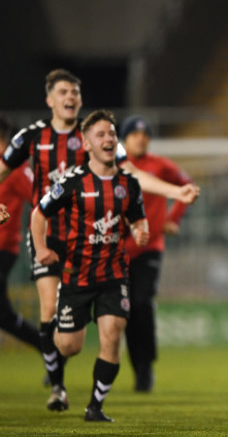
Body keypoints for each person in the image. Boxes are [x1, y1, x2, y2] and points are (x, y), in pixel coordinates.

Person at [0, 69, 199, 412]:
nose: (70, 97)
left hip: (87, 244)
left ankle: (83, 382)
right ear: (50, 99)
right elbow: (2, 170)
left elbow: (133, 176)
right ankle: (58, 388)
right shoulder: (31, 137)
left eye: (75, 92)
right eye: (63, 91)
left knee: (80, 337)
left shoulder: (96, 136)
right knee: (48, 309)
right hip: (47, 234)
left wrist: (174, 191)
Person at [31, 110, 149, 422]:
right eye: (101, 135)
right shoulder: (70, 182)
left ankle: (95, 407)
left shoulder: (129, 184)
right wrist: (41, 248)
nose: (109, 139)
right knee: (69, 346)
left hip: (113, 273)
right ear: (86, 143)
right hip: (76, 275)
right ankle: (57, 343)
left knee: (113, 333)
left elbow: (137, 216)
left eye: (111, 133)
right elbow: (38, 214)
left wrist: (139, 229)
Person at [120, 115, 192, 392]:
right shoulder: (116, 167)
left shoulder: (160, 166)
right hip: (118, 250)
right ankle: (135, 366)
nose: (141, 138)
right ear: (124, 139)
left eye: (145, 134)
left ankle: (145, 367)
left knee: (141, 302)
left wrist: (174, 217)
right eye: (135, 134)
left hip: (149, 247)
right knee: (124, 310)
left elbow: (186, 185)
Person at [0, 114, 40, 351]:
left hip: (3, 249)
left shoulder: (16, 169)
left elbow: (42, 201)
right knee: (3, 317)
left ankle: (51, 351)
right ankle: (50, 350)